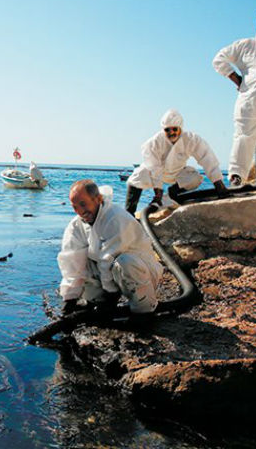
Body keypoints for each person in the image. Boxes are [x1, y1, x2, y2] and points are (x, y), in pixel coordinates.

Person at [57, 179, 162, 316]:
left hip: (138, 272)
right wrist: (69, 299)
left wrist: (109, 294)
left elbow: (108, 258)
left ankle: (144, 309)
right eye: (74, 206)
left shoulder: (115, 218)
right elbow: (71, 263)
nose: (80, 211)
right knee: (81, 261)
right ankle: (96, 301)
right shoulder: (76, 226)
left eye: (83, 204)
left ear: (98, 199)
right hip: (110, 276)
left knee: (124, 262)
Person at [213, 9, 256, 185]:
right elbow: (219, 59)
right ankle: (236, 176)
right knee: (244, 136)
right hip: (249, 98)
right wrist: (236, 79)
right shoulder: (245, 45)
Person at [125, 109, 227, 215]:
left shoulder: (191, 139)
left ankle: (171, 194)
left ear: (180, 128)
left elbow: (207, 158)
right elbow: (155, 168)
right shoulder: (153, 143)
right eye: (167, 130)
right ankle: (129, 213)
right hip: (155, 173)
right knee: (138, 176)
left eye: (174, 129)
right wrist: (157, 195)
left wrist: (218, 184)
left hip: (177, 173)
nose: (171, 133)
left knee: (195, 178)